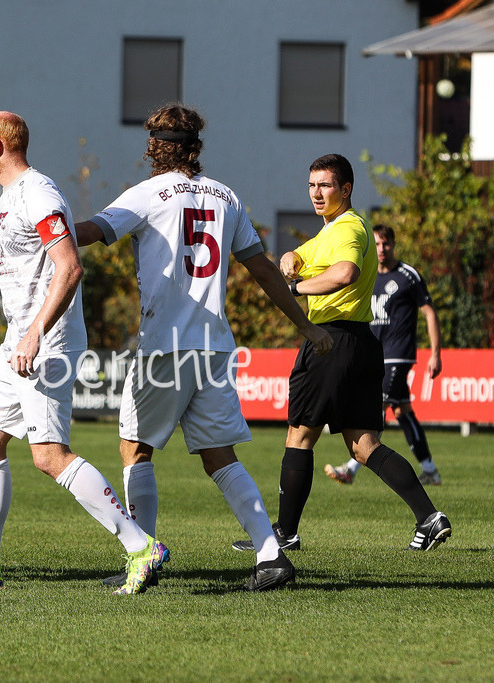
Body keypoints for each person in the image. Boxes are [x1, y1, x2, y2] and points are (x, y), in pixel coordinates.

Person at [0, 111, 161, 595]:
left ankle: (141, 546)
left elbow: (70, 266)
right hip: (21, 339)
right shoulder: (9, 200)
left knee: (48, 456)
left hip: (45, 341)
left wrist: (37, 331)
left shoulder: (37, 192)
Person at [71, 105, 333, 591]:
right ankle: (271, 556)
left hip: (164, 347)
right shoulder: (226, 197)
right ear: (195, 147)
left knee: (136, 448)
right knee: (219, 454)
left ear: (155, 147)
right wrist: (305, 326)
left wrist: (44, 226)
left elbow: (92, 232)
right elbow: (264, 270)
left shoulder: (147, 194)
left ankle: (142, 557)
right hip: (213, 347)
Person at [231, 154, 450, 554]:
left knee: (299, 436)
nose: (317, 193)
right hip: (362, 344)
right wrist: (290, 259)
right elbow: (299, 256)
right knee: (363, 446)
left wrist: (293, 290)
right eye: (312, 185)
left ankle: (285, 534)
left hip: (330, 342)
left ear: (345, 189)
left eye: (326, 185)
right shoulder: (335, 229)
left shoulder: (347, 228)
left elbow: (345, 272)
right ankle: (429, 517)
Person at [325, 224, 443, 486]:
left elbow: (429, 312)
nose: (381, 249)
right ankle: (430, 470)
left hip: (398, 356)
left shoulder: (407, 276)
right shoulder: (368, 276)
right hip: (374, 355)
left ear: (393, 244)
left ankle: (351, 469)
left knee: (375, 406)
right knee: (402, 411)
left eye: (386, 244)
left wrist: (435, 353)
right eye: (377, 244)